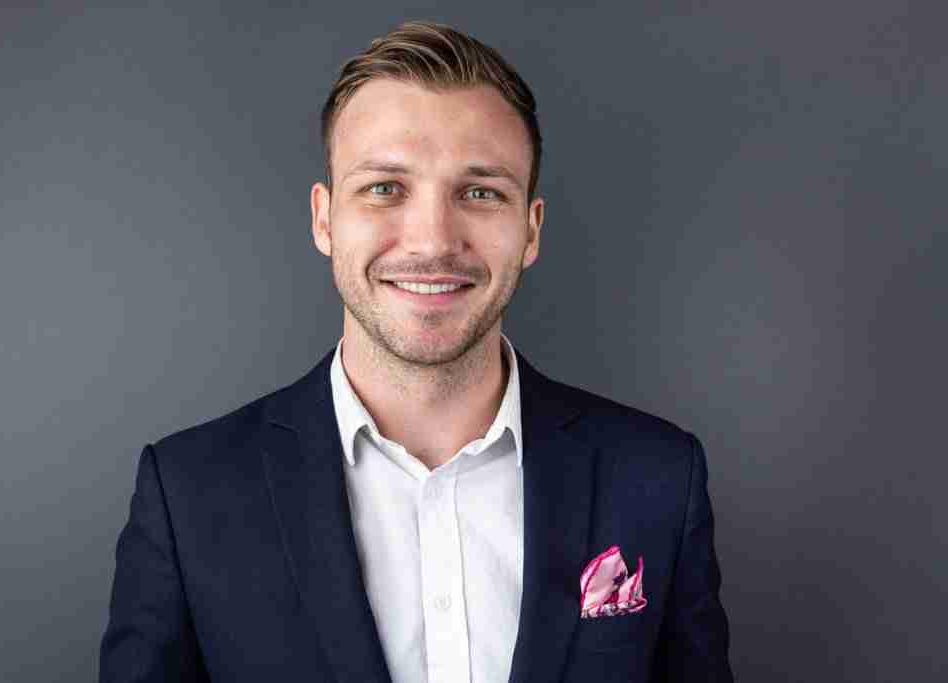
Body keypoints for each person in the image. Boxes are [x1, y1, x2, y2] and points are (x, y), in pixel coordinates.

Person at [99, 20, 734, 683]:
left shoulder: (659, 479)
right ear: (324, 219)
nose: (432, 240)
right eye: (385, 188)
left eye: (480, 192)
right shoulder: (189, 495)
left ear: (530, 230)